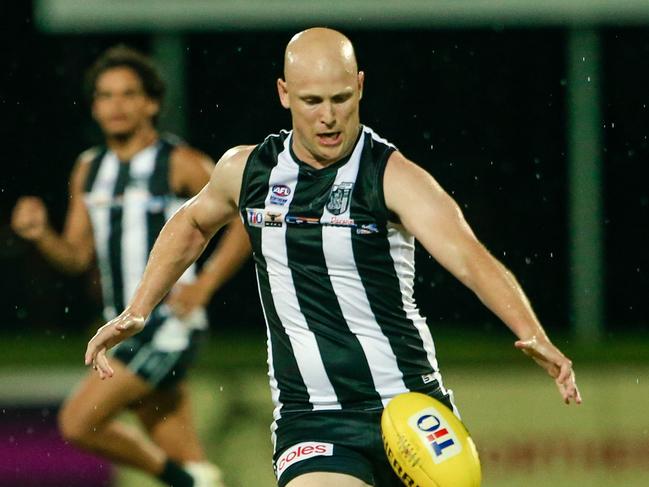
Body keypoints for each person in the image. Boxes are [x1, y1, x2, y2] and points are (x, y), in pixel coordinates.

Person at [84, 29, 582, 487]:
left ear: (360, 87)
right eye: (312, 101)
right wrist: (139, 309)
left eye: (341, 99)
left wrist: (532, 332)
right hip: (312, 417)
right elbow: (192, 223)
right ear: (284, 94)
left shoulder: (392, 176)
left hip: (409, 405)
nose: (328, 116)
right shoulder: (249, 170)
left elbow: (471, 259)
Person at [11, 46, 251, 487]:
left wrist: (206, 285)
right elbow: (77, 257)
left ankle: (180, 478)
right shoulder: (89, 169)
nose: (115, 106)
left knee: (78, 422)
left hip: (170, 326)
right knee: (193, 461)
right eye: (105, 96)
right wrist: (41, 235)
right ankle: (193, 478)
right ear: (94, 106)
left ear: (151, 103)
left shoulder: (179, 163)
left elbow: (245, 221)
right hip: (121, 327)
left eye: (127, 94)